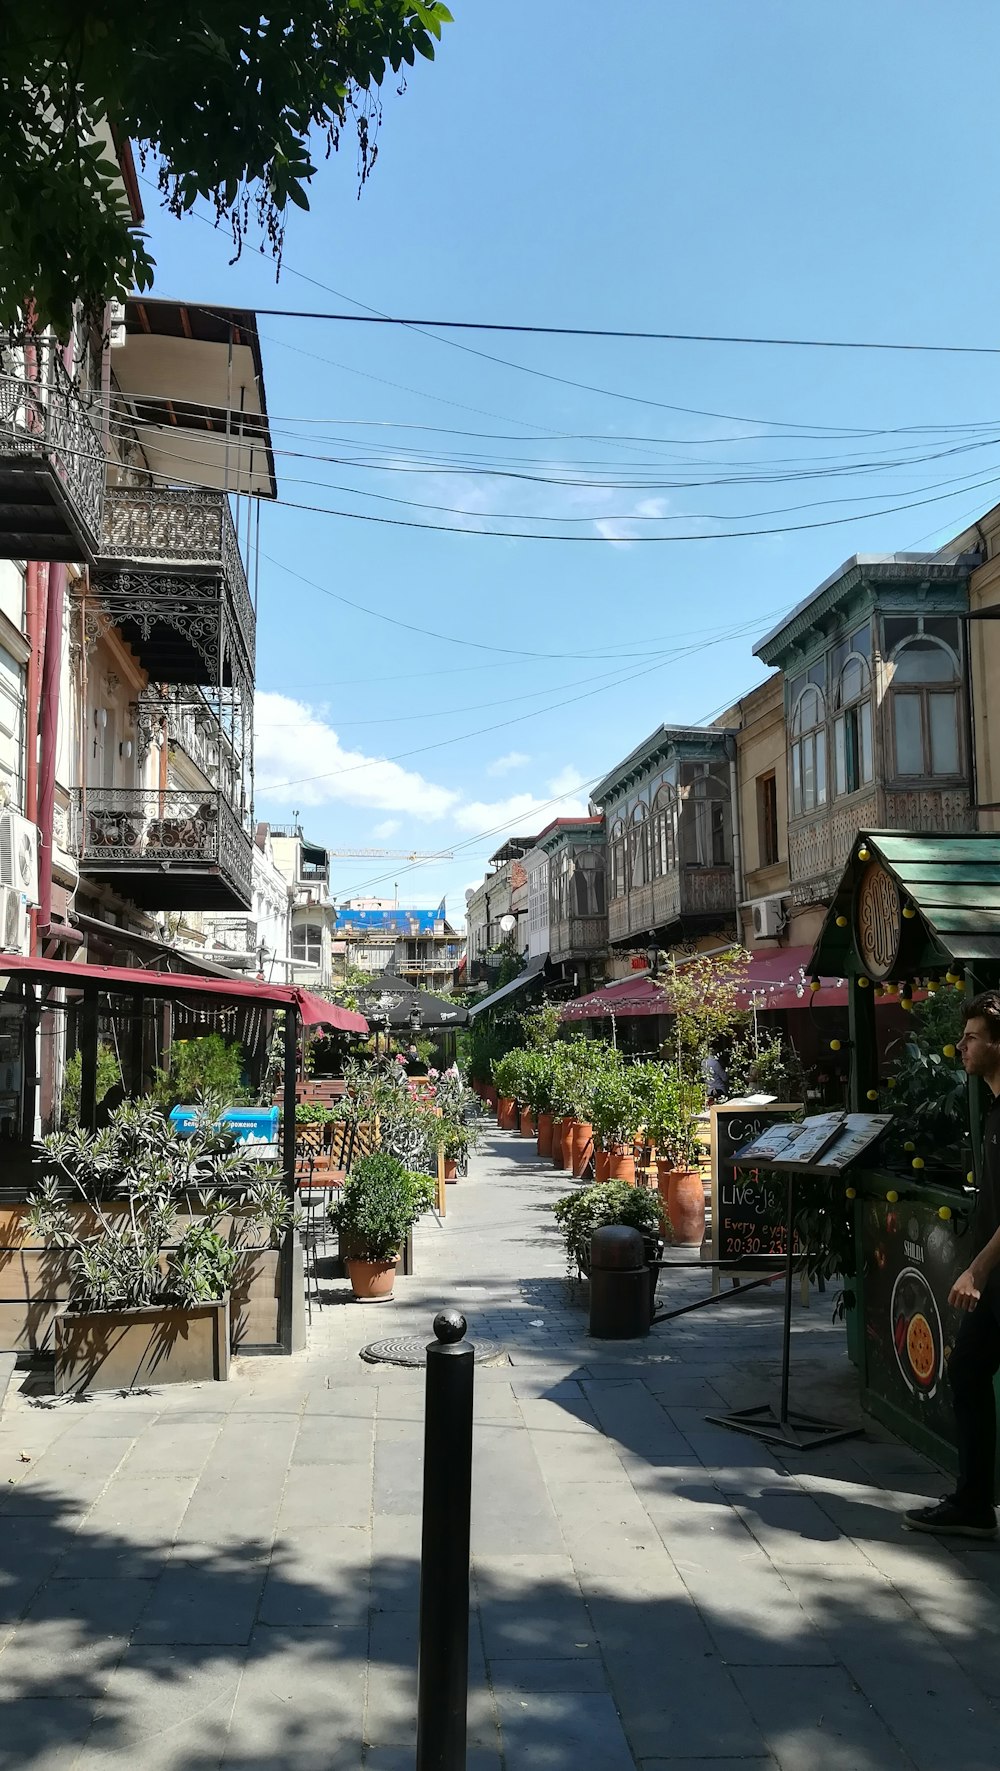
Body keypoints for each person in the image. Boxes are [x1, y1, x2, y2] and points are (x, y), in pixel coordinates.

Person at [904, 990, 1000, 1540]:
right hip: (995, 1281)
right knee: (966, 1375)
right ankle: (974, 1503)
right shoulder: (991, 1107)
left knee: (968, 1374)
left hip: (996, 1277)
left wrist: (977, 1271)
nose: (960, 1046)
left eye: (971, 1038)